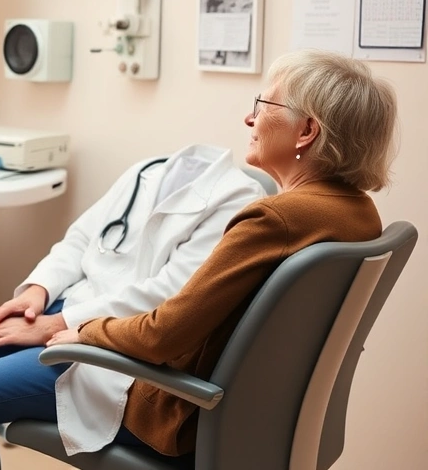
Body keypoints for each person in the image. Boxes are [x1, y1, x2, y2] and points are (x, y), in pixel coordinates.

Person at [47, 49, 398, 459]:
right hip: (263, 416)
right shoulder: (358, 214)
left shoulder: (276, 218)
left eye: (263, 106)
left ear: (306, 131)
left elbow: (163, 336)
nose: (250, 119)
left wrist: (87, 330)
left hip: (178, 412)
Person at [0, 143, 267, 470]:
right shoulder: (148, 170)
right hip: (69, 310)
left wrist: (57, 324)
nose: (250, 119)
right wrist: (37, 292)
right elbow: (81, 238)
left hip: (116, 345)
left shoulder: (238, 199)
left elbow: (169, 296)